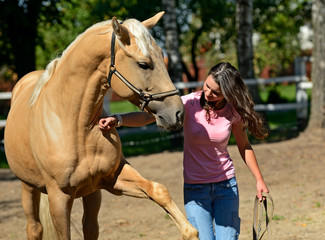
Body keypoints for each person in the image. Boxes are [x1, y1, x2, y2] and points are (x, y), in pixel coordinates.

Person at [99, 62, 269, 240]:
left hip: (226, 187)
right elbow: (148, 117)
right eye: (207, 86)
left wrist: (259, 180)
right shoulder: (189, 103)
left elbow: (244, 146)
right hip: (195, 189)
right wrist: (118, 119)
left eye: (216, 93)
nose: (208, 93)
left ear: (227, 93)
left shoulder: (233, 112)